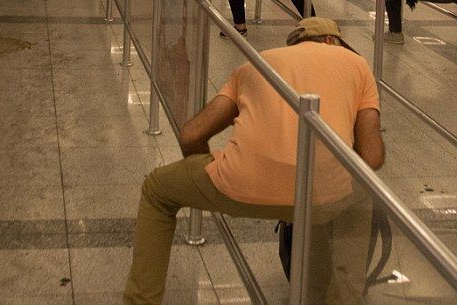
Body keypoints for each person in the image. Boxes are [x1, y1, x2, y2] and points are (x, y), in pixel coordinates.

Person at [123, 17, 384, 305]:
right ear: (332, 40)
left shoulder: (257, 63)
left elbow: (190, 135)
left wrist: (212, 174)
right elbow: (372, 157)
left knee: (157, 191)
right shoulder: (358, 64)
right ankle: (338, 297)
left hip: (240, 182)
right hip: (320, 194)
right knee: (358, 195)